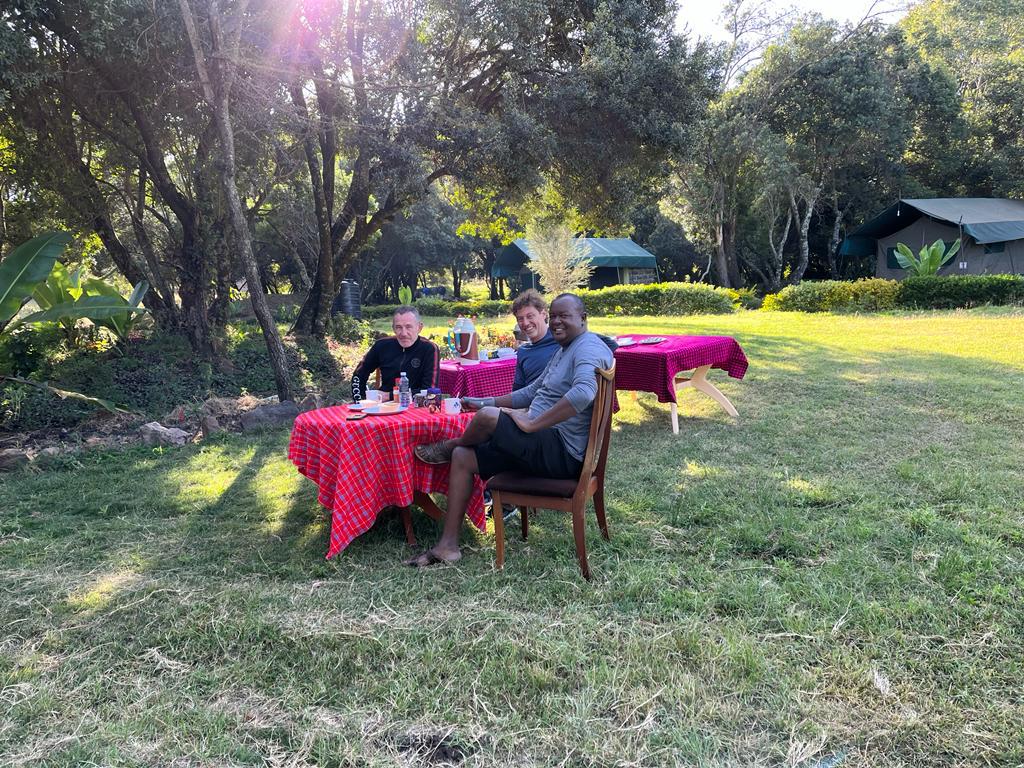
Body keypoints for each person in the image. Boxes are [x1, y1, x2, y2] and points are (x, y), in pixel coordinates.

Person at [407, 293, 613, 567]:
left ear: (583, 318)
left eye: (564, 316)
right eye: (554, 316)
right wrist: (485, 401)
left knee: (486, 419)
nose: (556, 322)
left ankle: (451, 443)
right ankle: (448, 547)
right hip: (540, 444)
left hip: (562, 453)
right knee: (464, 456)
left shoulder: (588, 347)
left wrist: (532, 423)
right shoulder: (565, 348)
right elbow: (531, 392)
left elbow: (584, 393)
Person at [350, 306, 440, 399]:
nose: (404, 333)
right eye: (398, 327)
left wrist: (390, 396)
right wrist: (360, 400)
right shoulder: (381, 345)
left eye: (408, 327)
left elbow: (430, 391)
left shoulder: (429, 349)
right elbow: (359, 374)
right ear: (393, 329)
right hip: (383, 405)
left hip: (415, 405)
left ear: (419, 328)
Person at [511, 289, 559, 390]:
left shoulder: (560, 342)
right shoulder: (523, 351)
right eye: (520, 319)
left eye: (530, 316)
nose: (525, 323)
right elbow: (517, 390)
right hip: (529, 398)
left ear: (543, 314)